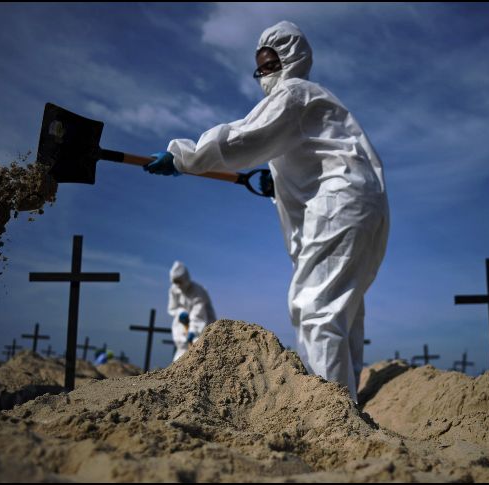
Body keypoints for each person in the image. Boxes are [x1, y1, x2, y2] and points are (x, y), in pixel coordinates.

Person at [144, 21, 389, 401]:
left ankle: (331, 409)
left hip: (340, 207)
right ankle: (347, 402)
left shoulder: (293, 94)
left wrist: (183, 157)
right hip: (363, 207)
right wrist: (277, 186)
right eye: (259, 66)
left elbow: (244, 137)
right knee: (343, 311)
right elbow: (314, 158)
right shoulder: (316, 104)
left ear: (291, 59)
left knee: (315, 308)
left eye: (270, 63)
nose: (264, 73)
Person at [167, 261, 217, 361]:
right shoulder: (174, 290)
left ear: (185, 278)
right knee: (182, 350)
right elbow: (173, 308)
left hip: (203, 325)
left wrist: (193, 331)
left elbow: (198, 315)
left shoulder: (198, 291)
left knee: (199, 347)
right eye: (176, 282)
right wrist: (180, 313)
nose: (178, 285)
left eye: (180, 281)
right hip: (184, 324)